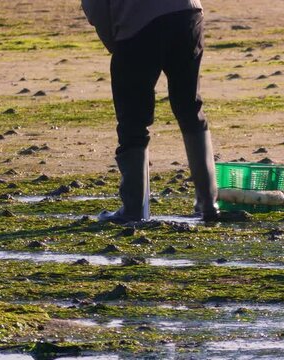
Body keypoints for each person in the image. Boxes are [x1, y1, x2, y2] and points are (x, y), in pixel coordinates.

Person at [81, 0, 220, 223]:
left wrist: (117, 45)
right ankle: (209, 203)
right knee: (189, 107)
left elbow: (95, 7)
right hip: (187, 14)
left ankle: (135, 209)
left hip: (138, 25)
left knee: (133, 119)